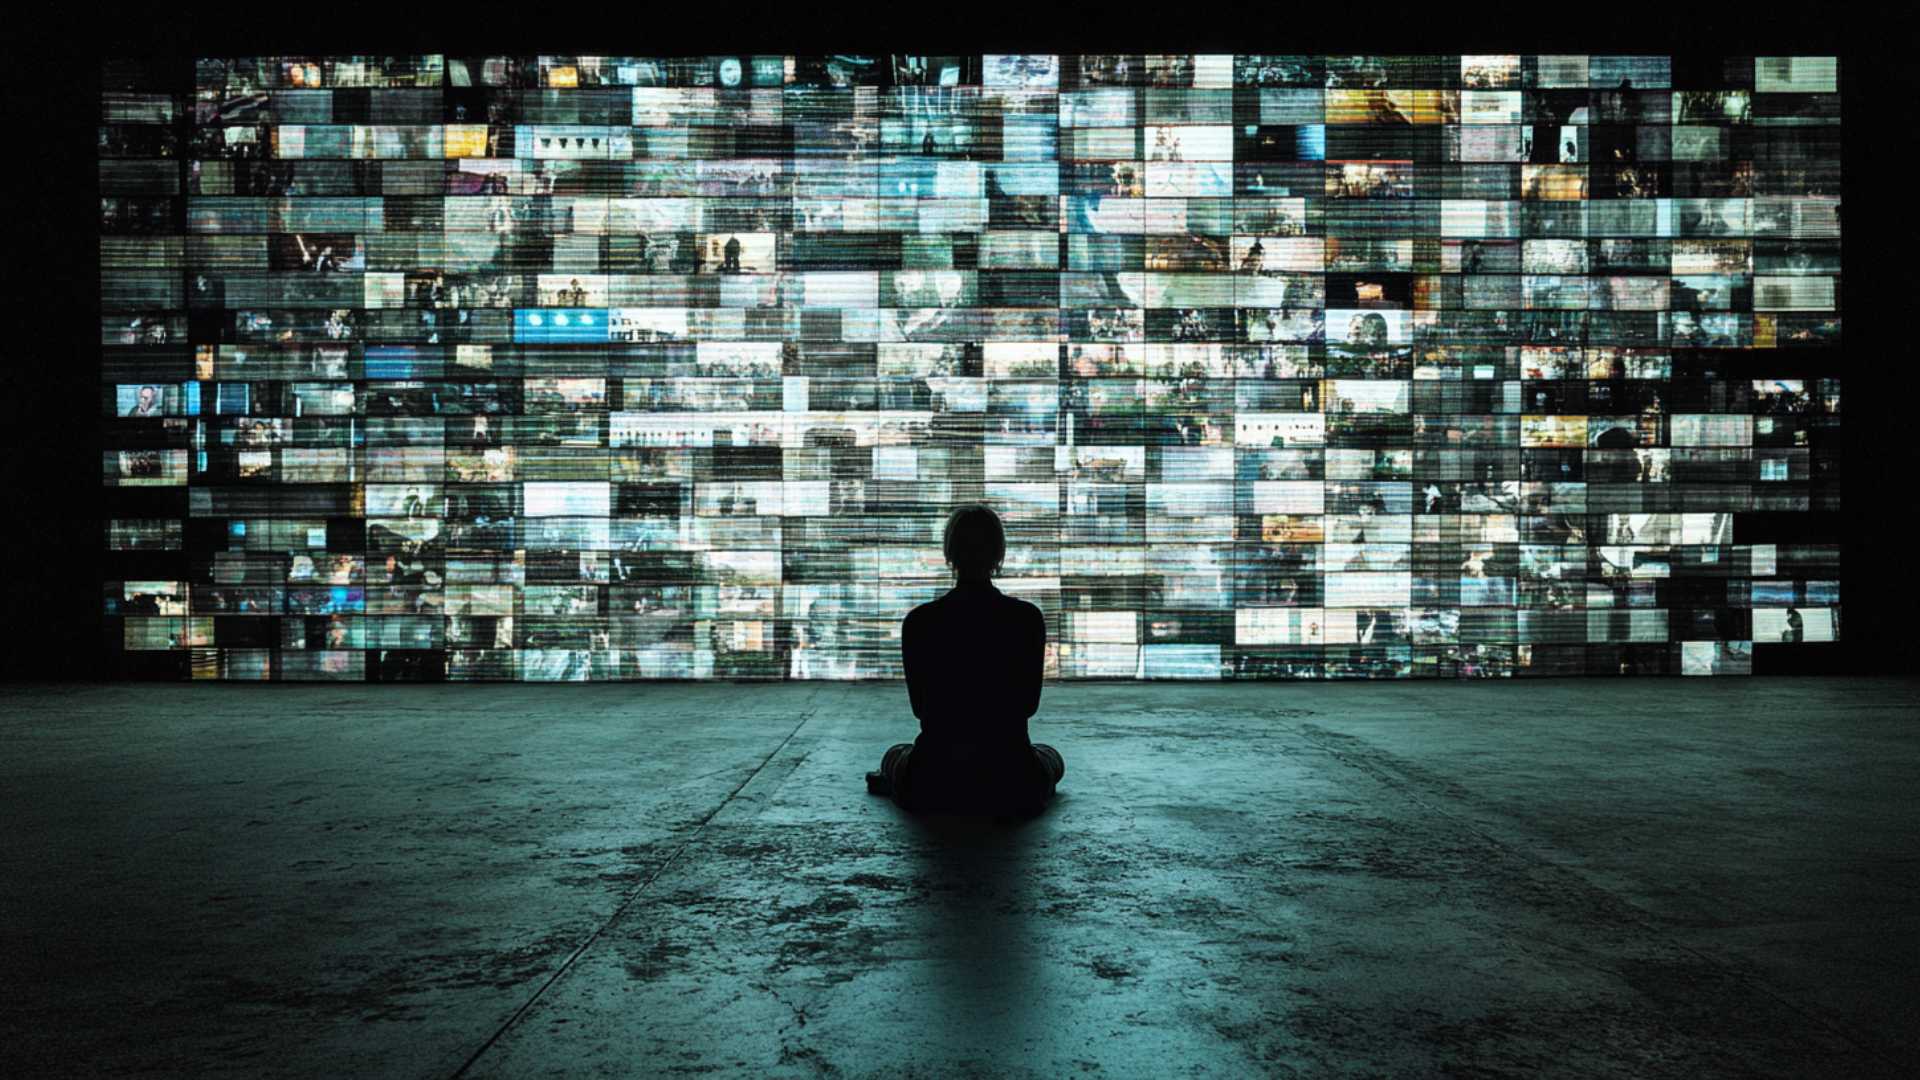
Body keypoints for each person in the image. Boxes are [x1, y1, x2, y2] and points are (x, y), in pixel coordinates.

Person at [867, 505, 1065, 816]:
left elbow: (921, 708)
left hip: (934, 775)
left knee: (895, 754)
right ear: (998, 555)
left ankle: (897, 781)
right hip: (1012, 776)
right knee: (1051, 757)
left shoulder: (920, 622)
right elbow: (1028, 706)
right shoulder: (1026, 619)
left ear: (950, 555)